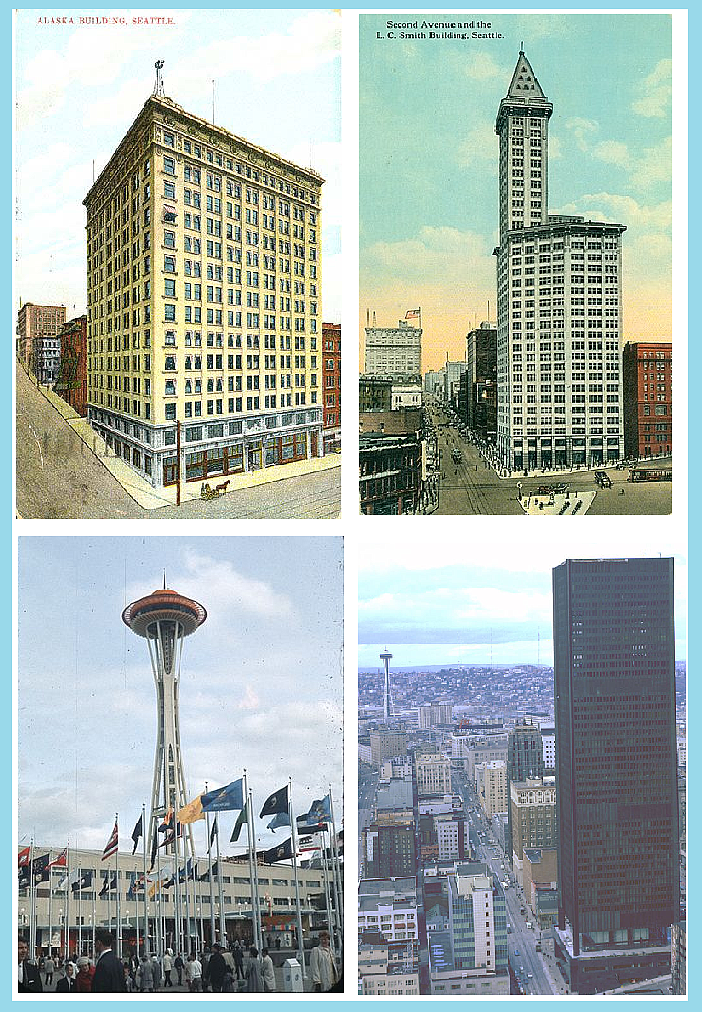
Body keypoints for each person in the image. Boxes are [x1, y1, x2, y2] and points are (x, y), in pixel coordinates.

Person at [91, 928, 126, 993]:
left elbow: (100, 987)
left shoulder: (102, 964)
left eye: (94, 944)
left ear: (99, 943)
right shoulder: (118, 962)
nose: (94, 946)